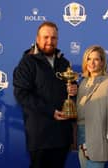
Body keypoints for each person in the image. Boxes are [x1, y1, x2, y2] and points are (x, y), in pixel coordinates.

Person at [13, 21, 77, 168]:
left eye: (53, 38)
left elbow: (69, 88)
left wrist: (74, 89)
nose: (50, 41)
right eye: (46, 37)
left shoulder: (64, 62)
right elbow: (21, 94)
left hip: (62, 135)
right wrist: (50, 111)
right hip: (40, 135)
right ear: (37, 39)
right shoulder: (27, 62)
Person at [76, 45, 108, 168]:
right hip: (81, 133)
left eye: (96, 59)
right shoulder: (83, 82)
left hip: (98, 135)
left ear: (102, 62)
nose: (91, 63)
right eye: (89, 59)